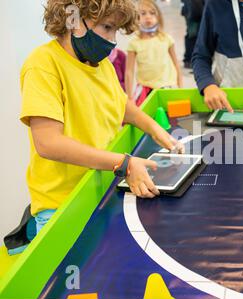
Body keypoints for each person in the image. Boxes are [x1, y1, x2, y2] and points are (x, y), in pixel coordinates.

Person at [10, 0, 184, 255]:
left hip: (101, 187)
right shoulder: (43, 64)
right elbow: (48, 143)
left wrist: (157, 131)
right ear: (72, 18)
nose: (112, 40)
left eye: (115, 30)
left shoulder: (100, 63)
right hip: (63, 205)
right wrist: (125, 163)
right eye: (106, 27)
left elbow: (120, 104)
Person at [126, 0, 183, 107]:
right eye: (143, 13)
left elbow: (176, 64)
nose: (148, 17)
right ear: (136, 19)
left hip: (166, 87)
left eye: (152, 13)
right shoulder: (134, 43)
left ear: (159, 17)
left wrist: (180, 87)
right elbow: (129, 71)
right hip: (145, 88)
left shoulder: (166, 39)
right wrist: (130, 97)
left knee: (169, 119)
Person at [181, 0, 205, 69]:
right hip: (193, 12)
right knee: (192, 36)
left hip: (197, 10)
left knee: (194, 36)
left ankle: (190, 60)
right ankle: (188, 60)